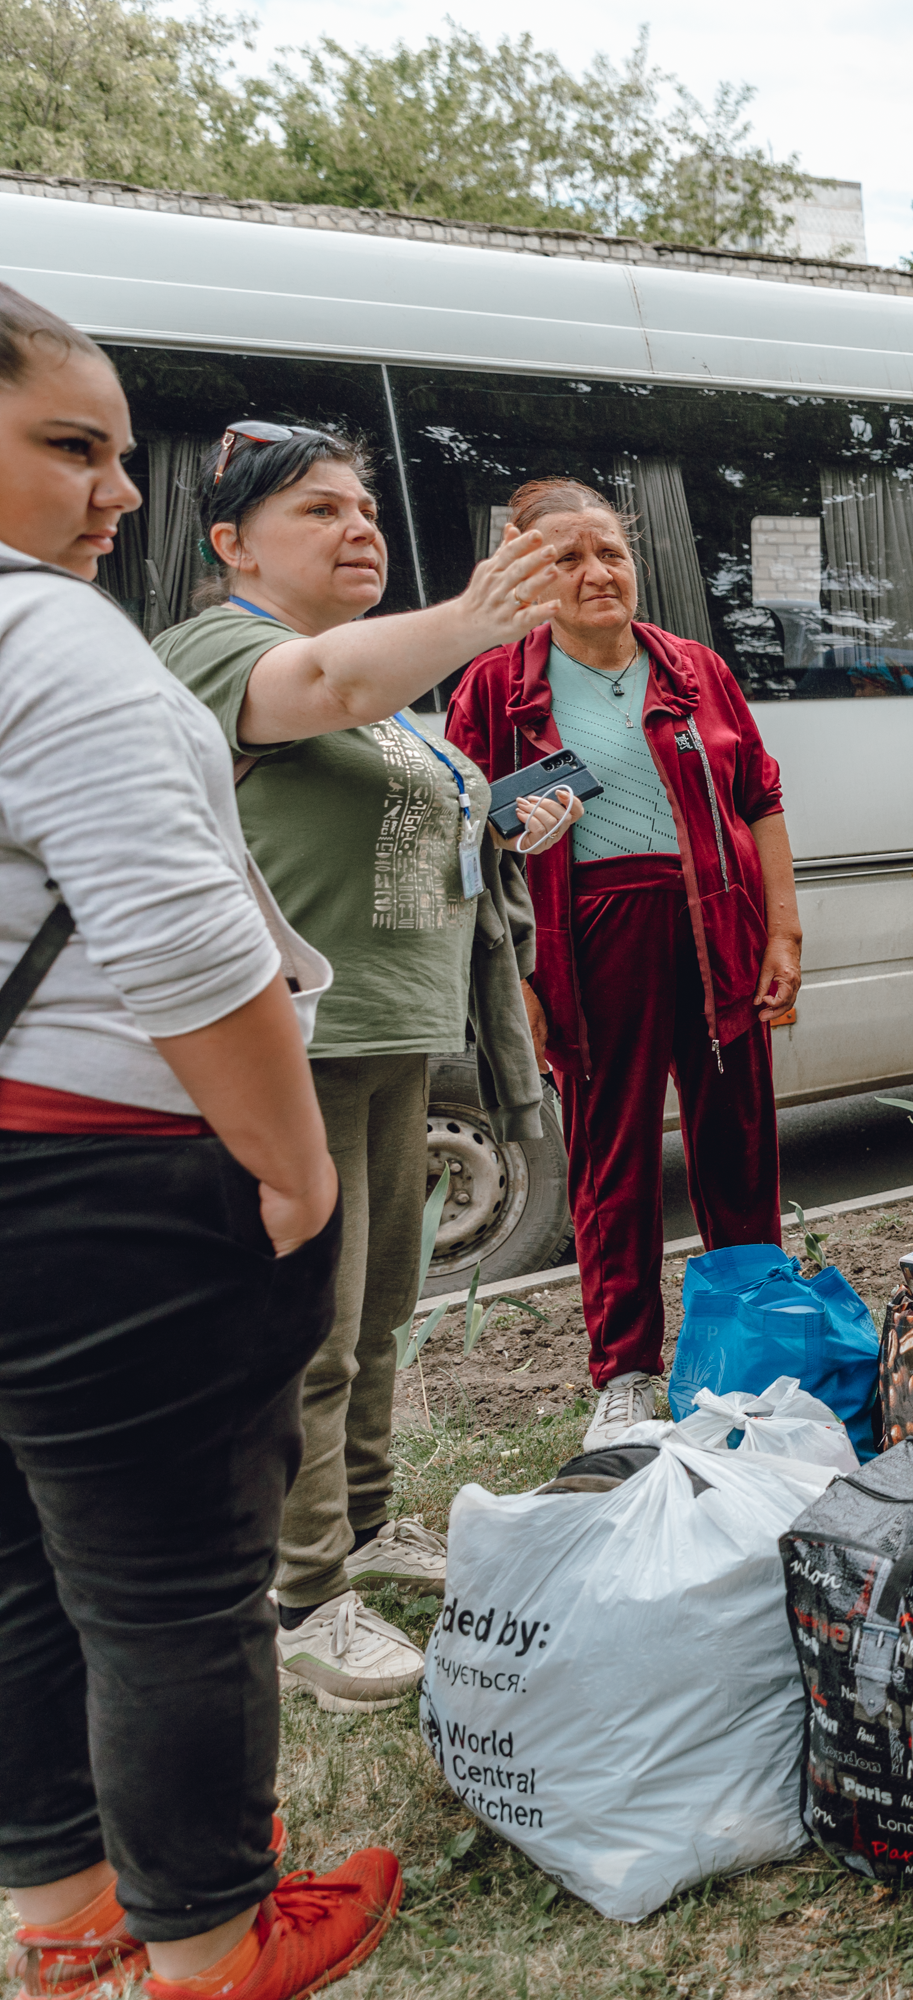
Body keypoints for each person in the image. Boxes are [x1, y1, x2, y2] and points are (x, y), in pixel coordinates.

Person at [0, 284, 407, 2000]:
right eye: (69, 449)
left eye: (120, 452)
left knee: (25, 1566)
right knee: (174, 1590)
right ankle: (219, 1940)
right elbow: (178, 945)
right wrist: (298, 1173)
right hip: (118, 1189)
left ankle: (64, 1917)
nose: (117, 494)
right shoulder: (59, 643)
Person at [153, 425, 576, 1717]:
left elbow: (396, 798)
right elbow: (319, 688)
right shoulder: (217, 651)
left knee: (380, 1304)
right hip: (295, 1045)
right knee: (309, 1332)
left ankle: (373, 1520)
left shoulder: (395, 694)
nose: (359, 528)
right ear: (233, 544)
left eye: (365, 507)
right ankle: (303, 1589)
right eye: (318, 511)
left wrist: (498, 813)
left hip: (395, 1037)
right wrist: (472, 611)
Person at [445, 481, 803, 1451]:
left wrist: (783, 933)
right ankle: (628, 1373)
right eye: (568, 558)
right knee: (614, 1164)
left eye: (609, 551)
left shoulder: (695, 669)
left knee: (740, 1146)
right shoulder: (498, 689)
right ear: (528, 575)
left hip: (716, 932)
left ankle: (757, 1342)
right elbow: (466, 838)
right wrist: (512, 978)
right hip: (589, 942)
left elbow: (759, 796)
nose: (598, 572)